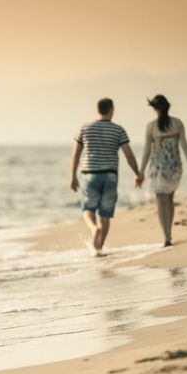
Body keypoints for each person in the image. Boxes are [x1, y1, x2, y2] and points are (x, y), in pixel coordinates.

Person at [70, 98, 142, 256]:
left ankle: (93, 230)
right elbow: (129, 155)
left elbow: (75, 155)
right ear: (111, 110)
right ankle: (99, 248)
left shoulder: (84, 128)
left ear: (98, 109)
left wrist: (72, 177)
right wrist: (137, 174)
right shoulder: (118, 130)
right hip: (110, 175)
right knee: (105, 214)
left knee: (88, 208)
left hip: (90, 175)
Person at [138, 94, 187, 247]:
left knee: (161, 201)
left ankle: (167, 237)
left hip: (158, 169)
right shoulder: (177, 123)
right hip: (175, 167)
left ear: (155, 109)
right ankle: (169, 234)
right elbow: (184, 145)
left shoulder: (151, 126)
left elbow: (146, 151)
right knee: (169, 199)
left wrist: (141, 172)